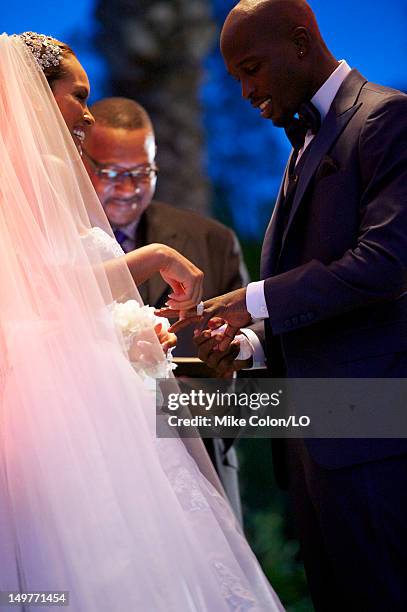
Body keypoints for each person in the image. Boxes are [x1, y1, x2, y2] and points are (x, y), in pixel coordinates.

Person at [0, 32, 284, 611]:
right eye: (77, 96)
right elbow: (32, 300)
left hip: (135, 431)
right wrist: (144, 272)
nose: (86, 110)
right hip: (52, 437)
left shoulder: (205, 236)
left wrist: (132, 337)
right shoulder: (24, 191)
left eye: (142, 174)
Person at [161, 1, 407, 610]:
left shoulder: (385, 118)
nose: (246, 90)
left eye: (252, 69)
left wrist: (248, 300)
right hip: (311, 442)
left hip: (371, 436)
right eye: (236, 78)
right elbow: (322, 306)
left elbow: (385, 264)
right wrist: (244, 343)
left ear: (301, 42)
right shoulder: (303, 137)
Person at [81, 97, 248, 521]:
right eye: (111, 173)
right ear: (80, 161)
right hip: (87, 481)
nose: (128, 188)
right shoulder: (42, 244)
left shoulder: (211, 241)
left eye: (142, 173)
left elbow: (243, 381)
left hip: (196, 471)